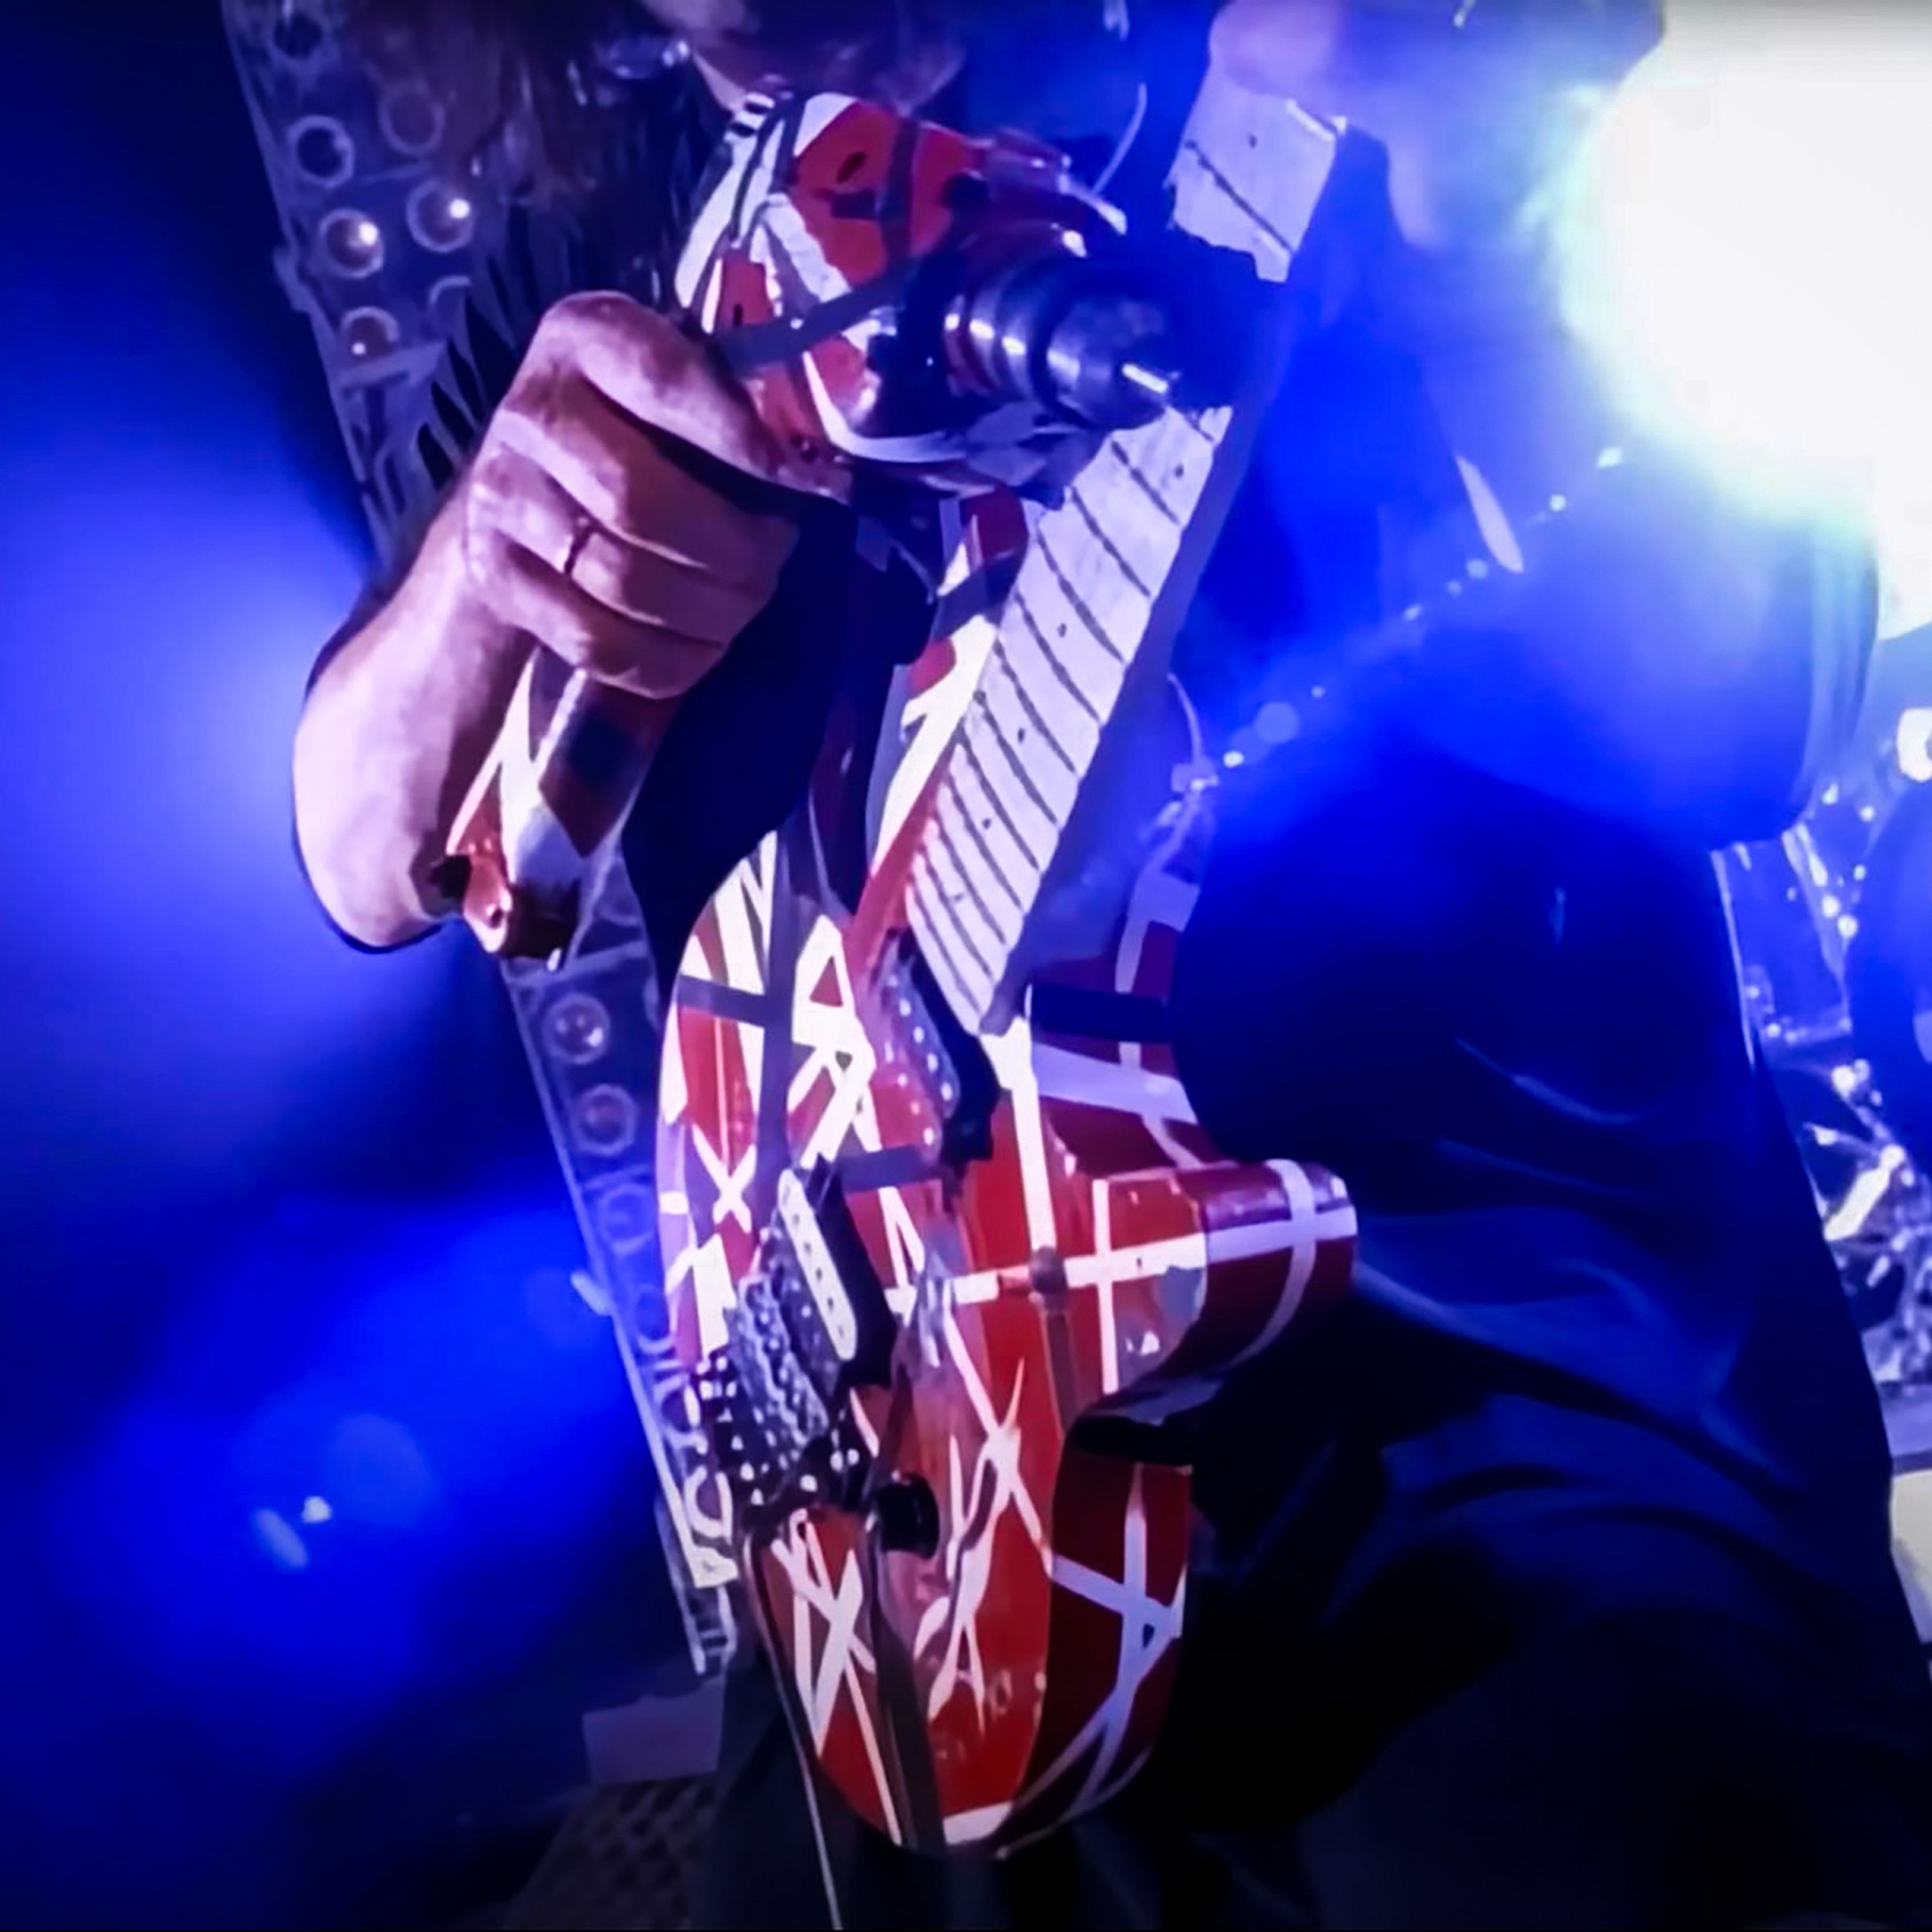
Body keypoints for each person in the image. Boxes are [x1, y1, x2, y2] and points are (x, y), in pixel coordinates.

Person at [293, 3, 1932, 1924]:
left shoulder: (1269, 61)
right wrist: (484, 559)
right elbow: (359, 851)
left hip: (1502, 1457)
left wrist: (1485, 249)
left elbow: (1736, 721)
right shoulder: (594, 252)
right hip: (901, 1520)